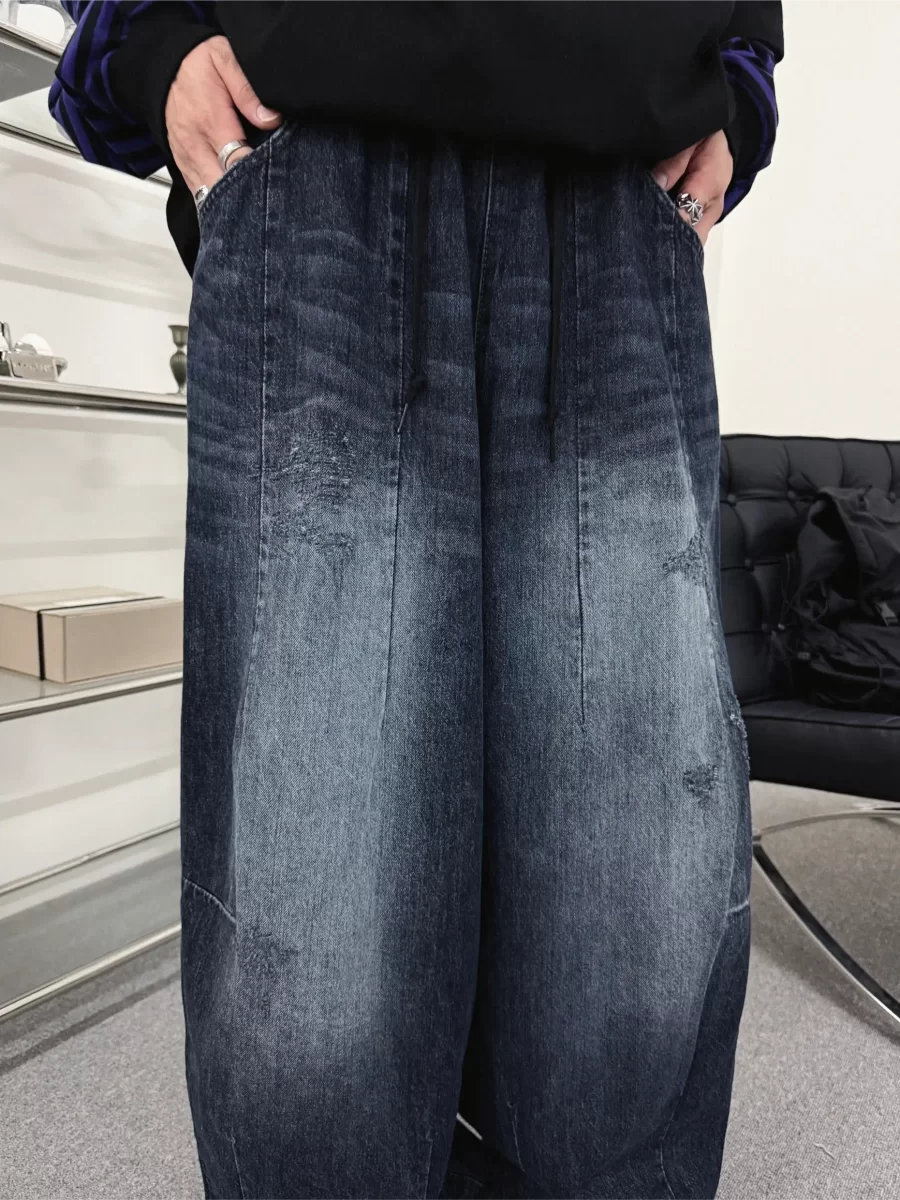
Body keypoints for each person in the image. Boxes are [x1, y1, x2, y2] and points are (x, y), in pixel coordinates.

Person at [51, 3, 782, 1197]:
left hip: (615, 192)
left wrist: (743, 88)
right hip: (319, 184)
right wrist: (148, 45)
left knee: (632, 932)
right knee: (316, 957)